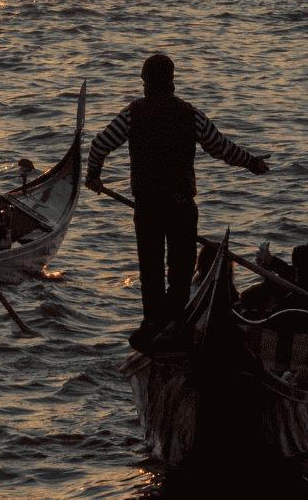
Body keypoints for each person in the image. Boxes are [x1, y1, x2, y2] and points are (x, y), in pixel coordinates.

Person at [86, 52, 269, 350]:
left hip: (148, 205)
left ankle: (153, 325)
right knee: (181, 273)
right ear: (172, 81)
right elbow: (220, 147)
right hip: (181, 205)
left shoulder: (133, 113)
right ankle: (174, 327)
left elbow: (99, 146)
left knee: (151, 271)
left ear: (146, 81)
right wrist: (252, 163)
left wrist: (94, 176)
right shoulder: (190, 114)